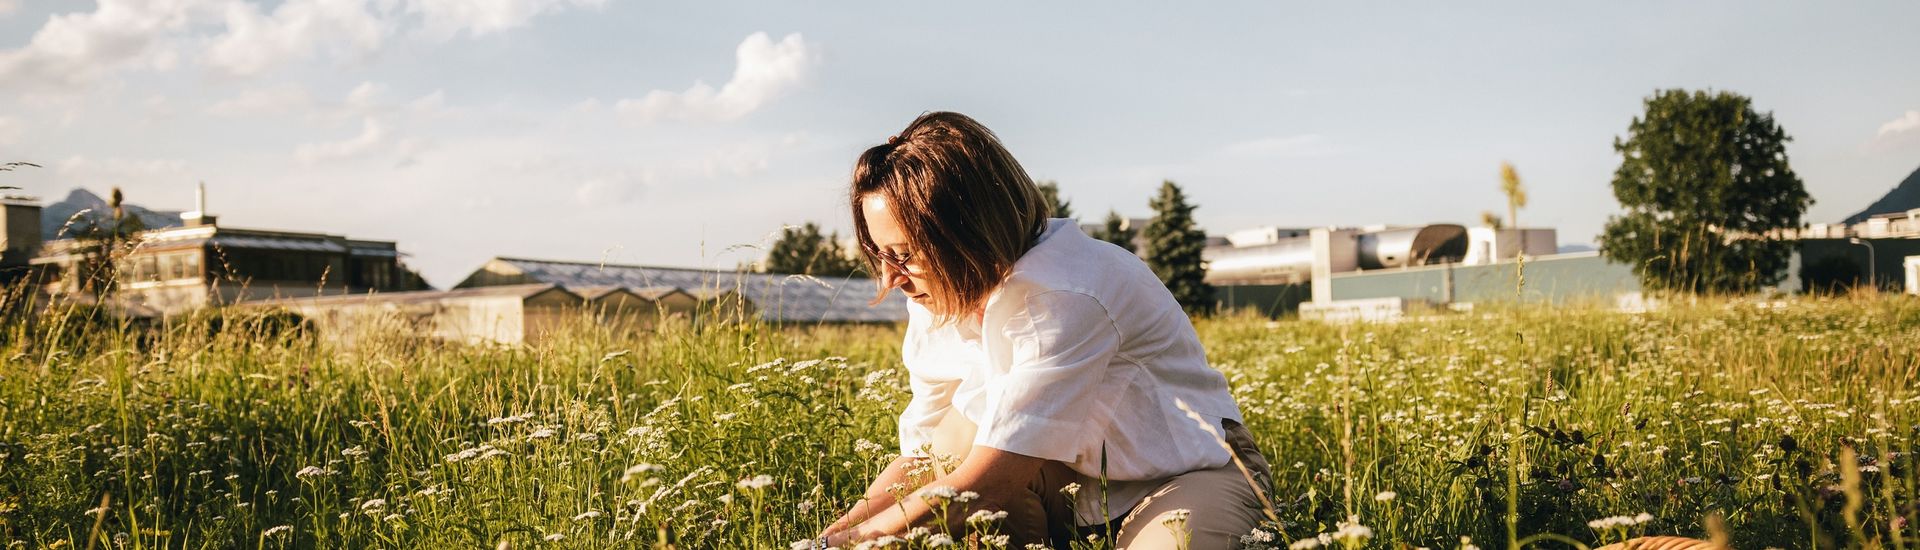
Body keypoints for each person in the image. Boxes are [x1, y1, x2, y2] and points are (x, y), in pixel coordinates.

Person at [816, 112, 1272, 550]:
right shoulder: (935, 296)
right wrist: (828, 539)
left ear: (969, 234)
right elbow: (923, 462)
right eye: (880, 254)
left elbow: (989, 481)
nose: (890, 278)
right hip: (1067, 487)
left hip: (1186, 474)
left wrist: (857, 546)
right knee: (952, 442)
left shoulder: (1067, 291)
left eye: (906, 255)